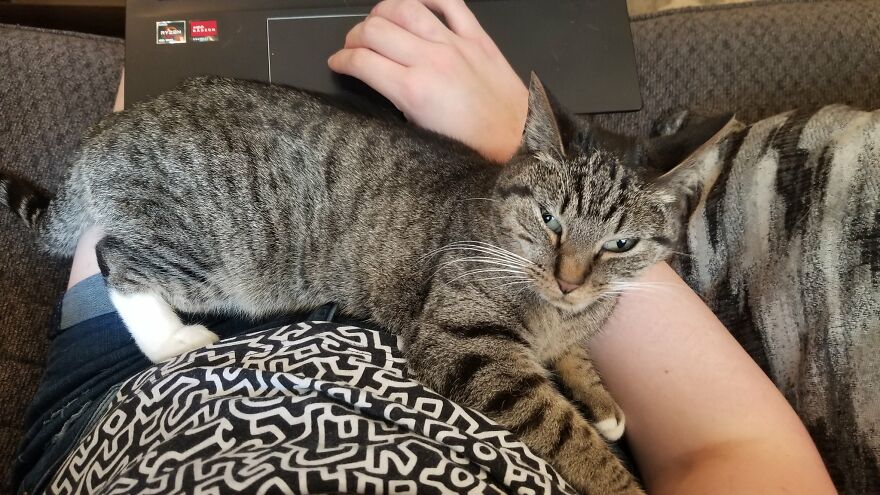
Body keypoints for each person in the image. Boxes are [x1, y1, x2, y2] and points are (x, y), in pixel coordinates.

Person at [16, 0, 836, 493]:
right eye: (555, 234)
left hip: (134, 409)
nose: (570, 274)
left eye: (612, 250)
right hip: (253, 242)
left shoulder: (579, 256)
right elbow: (464, 354)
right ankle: (131, 244)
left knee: (163, 142)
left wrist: (575, 360)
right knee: (161, 120)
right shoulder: (500, 232)